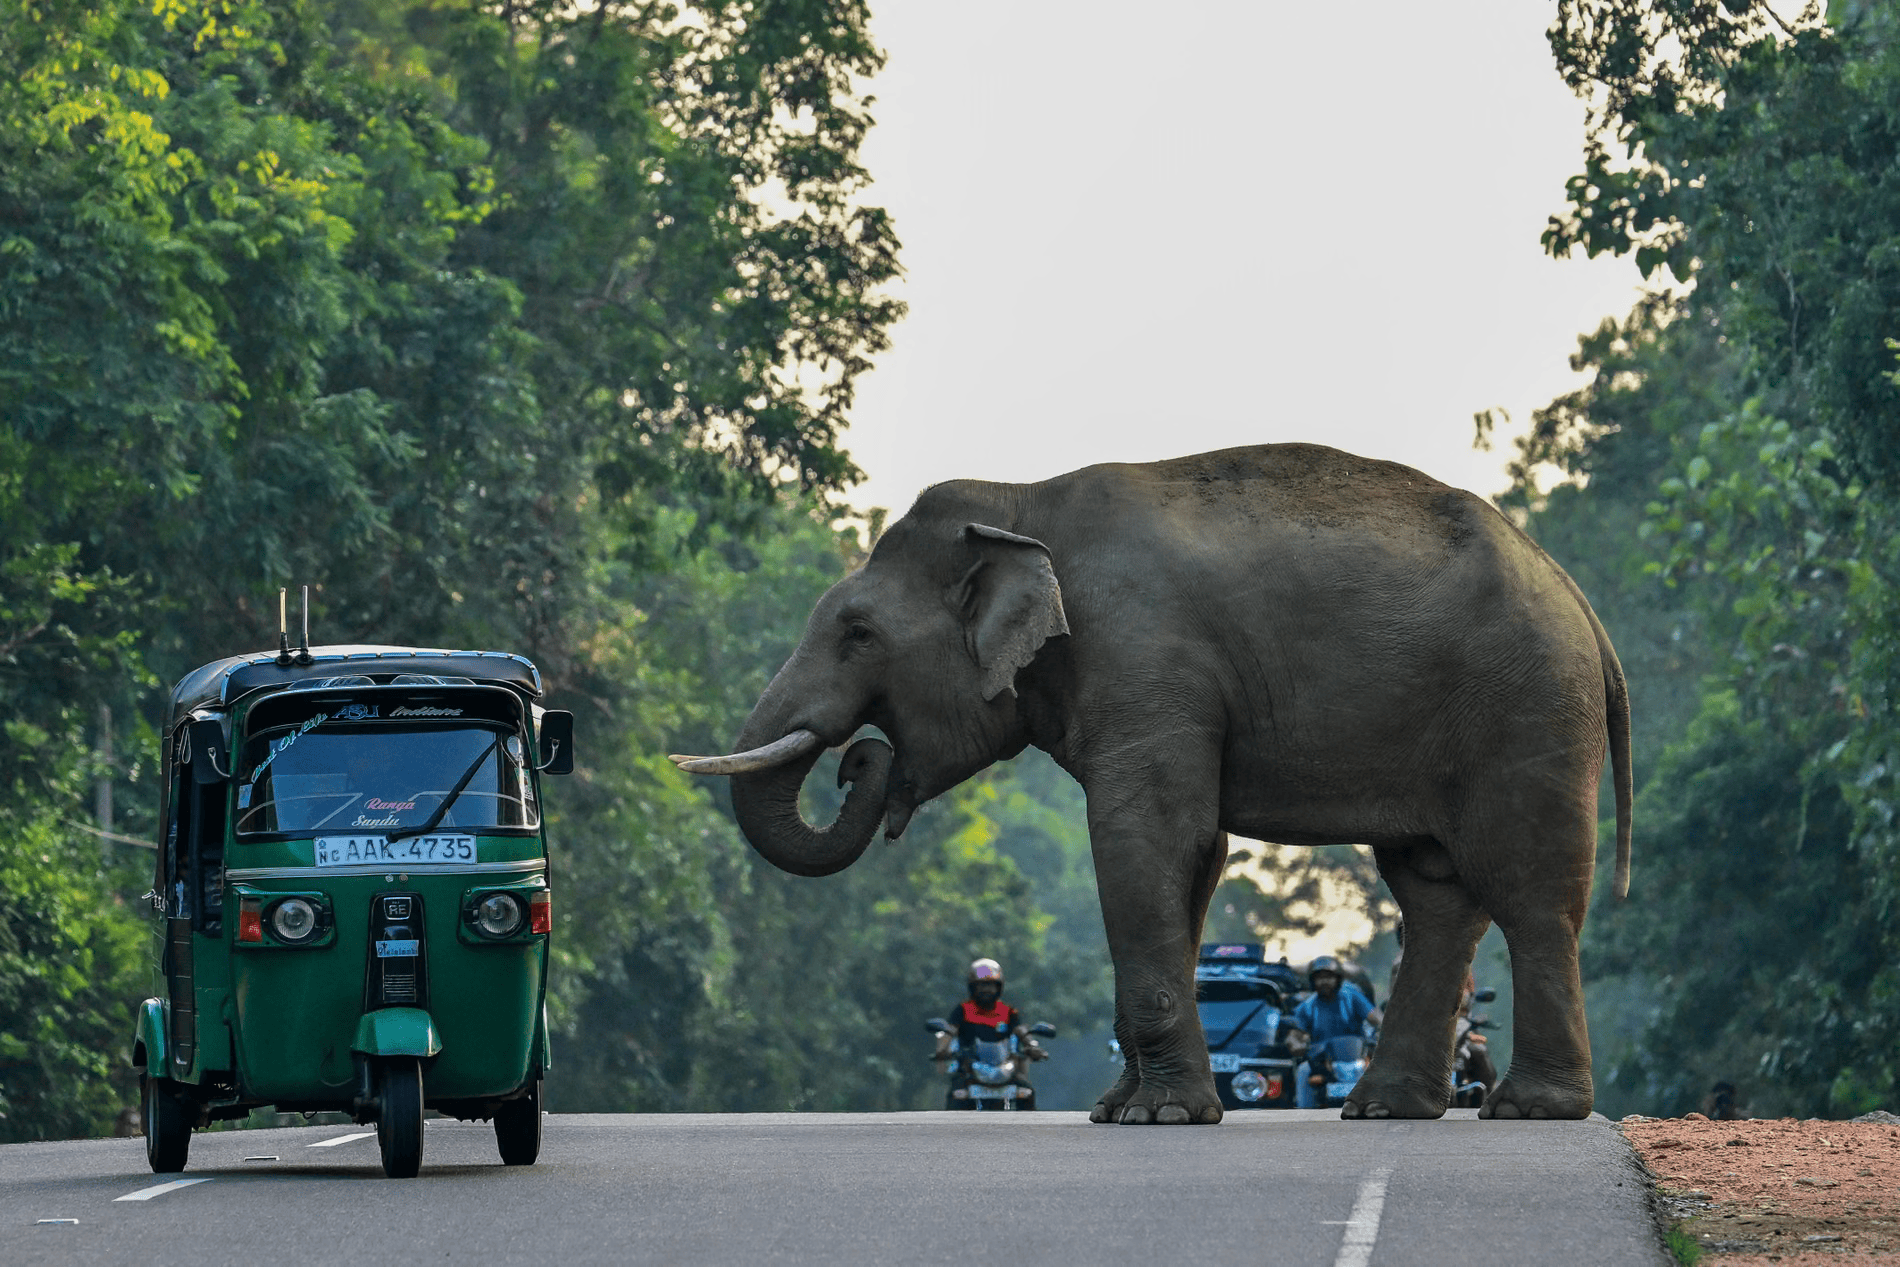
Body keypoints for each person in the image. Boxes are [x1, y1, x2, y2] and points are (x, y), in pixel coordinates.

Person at [933, 958, 1047, 1107]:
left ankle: (1031, 1129)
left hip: (1004, 1067)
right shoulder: (963, 1010)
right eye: (981, 985)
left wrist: (1032, 1046)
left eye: (990, 985)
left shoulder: (1008, 1012)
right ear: (973, 987)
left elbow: (1021, 1031)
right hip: (970, 1069)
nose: (986, 990)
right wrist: (943, 1050)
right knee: (956, 1094)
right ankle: (951, 1129)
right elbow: (950, 1031)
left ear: (999, 987)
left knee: (1026, 1091)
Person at [1289, 955, 1382, 1108]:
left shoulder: (1351, 996)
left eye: (1329, 977)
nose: (1324, 981)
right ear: (1312, 981)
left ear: (1338, 979)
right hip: (1322, 1060)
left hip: (1357, 1056)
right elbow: (1294, 1032)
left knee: (1382, 1068)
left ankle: (1383, 1105)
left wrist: (1381, 1031)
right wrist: (1295, 1043)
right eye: (1319, 978)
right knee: (1303, 1070)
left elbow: (1376, 1018)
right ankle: (1304, 1112)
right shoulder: (1307, 1006)